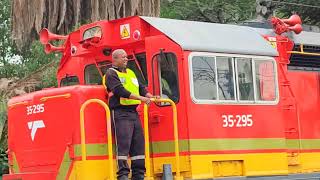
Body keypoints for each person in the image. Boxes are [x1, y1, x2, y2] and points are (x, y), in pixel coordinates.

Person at [103, 49, 156, 180]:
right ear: (115, 59)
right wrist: (141, 99)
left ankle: (138, 175)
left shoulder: (131, 73)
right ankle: (123, 175)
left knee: (138, 144)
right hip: (120, 113)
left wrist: (150, 96)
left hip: (133, 113)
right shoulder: (110, 73)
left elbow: (141, 87)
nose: (126, 59)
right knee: (123, 145)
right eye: (123, 57)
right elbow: (120, 90)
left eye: (126, 57)